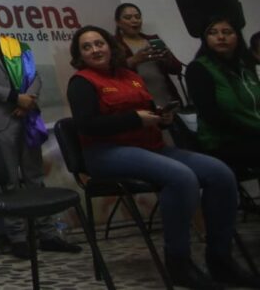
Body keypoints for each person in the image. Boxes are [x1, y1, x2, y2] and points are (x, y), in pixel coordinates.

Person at [66, 25, 258, 289]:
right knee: (181, 177)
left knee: (220, 173)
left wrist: (163, 118)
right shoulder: (82, 82)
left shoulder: (130, 75)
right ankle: (179, 264)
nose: (95, 50)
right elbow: (87, 125)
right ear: (79, 55)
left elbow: (148, 113)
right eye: (86, 47)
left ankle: (220, 260)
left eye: (99, 43)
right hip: (106, 152)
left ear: (110, 46)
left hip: (151, 146)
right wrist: (134, 119)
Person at [0, 3, 80, 258]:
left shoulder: (15, 44)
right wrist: (16, 98)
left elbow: (35, 76)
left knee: (35, 177)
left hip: (27, 117)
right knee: (9, 182)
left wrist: (29, 100)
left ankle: (47, 234)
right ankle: (18, 238)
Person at [185, 16, 260, 172]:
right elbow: (212, 116)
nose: (220, 37)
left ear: (237, 36)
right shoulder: (198, 69)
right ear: (205, 39)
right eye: (213, 33)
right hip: (224, 141)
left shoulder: (246, 66)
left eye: (227, 32)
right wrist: (253, 132)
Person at [114, 3, 183, 105]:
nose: (134, 20)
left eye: (137, 17)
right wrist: (133, 60)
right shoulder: (114, 44)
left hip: (169, 100)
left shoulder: (152, 40)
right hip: (140, 103)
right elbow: (112, 73)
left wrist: (168, 56)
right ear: (118, 22)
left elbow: (177, 69)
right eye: (128, 18)